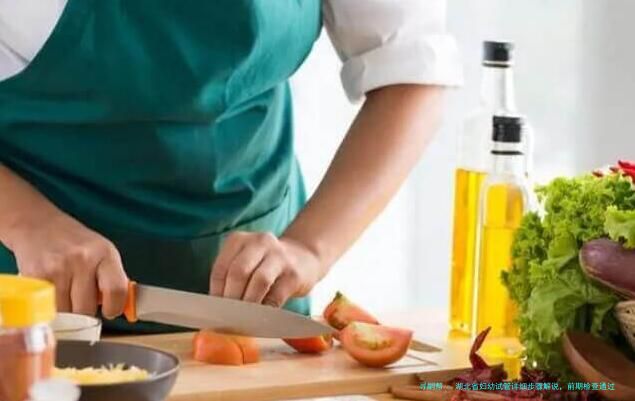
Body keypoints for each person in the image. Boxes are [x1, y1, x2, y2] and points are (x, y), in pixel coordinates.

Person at [0, 0, 461, 332]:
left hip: (251, 312)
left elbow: (410, 73)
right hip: (29, 304)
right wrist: (29, 224)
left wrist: (308, 247)